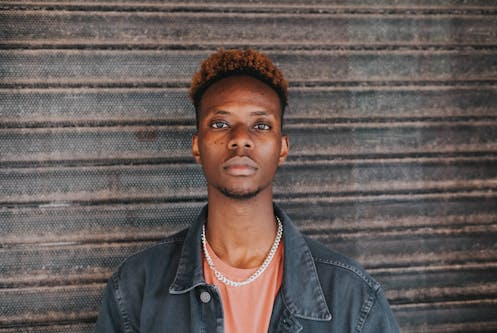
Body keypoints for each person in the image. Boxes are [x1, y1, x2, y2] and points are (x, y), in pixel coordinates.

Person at [95, 48, 400, 333]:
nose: (240, 139)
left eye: (262, 126)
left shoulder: (354, 298)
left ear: (282, 148)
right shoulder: (136, 288)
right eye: (220, 123)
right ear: (197, 146)